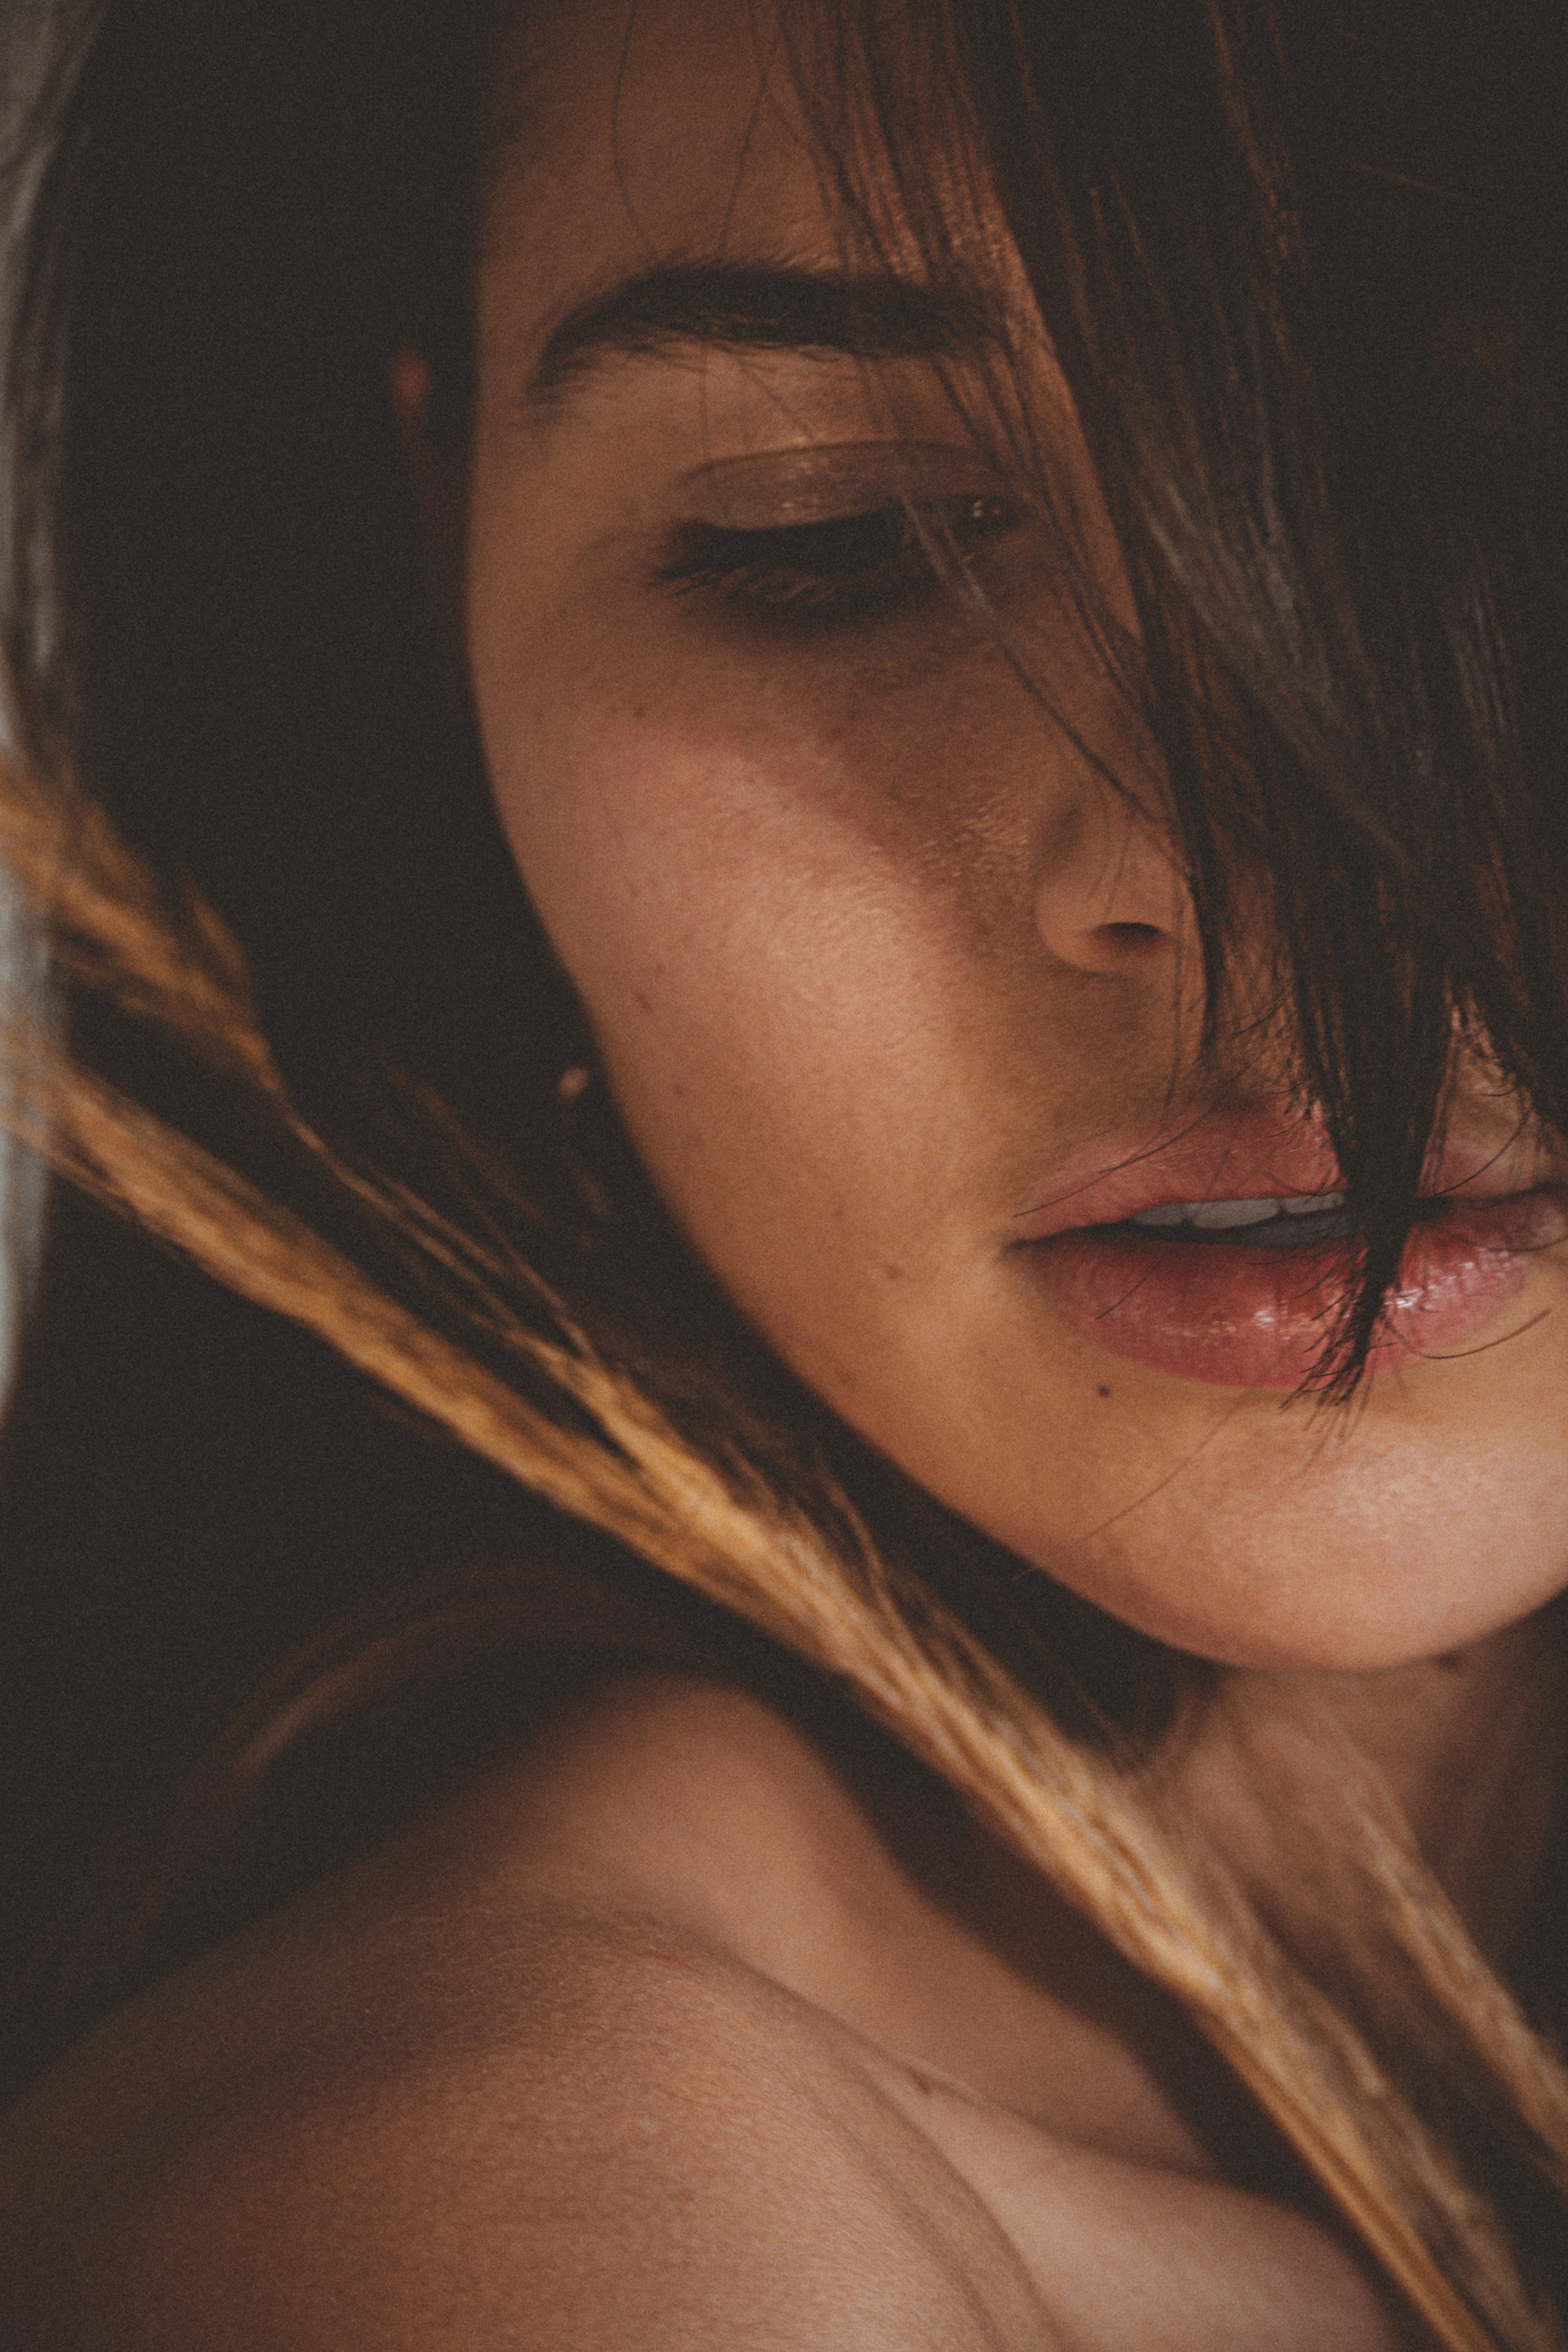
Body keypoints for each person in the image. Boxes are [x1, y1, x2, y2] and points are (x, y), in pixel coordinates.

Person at [0, 0, 1565, 2342]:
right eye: (831, 545)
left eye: (1502, 473)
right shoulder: (552, 2243)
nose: (1230, 888)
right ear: (439, 589)